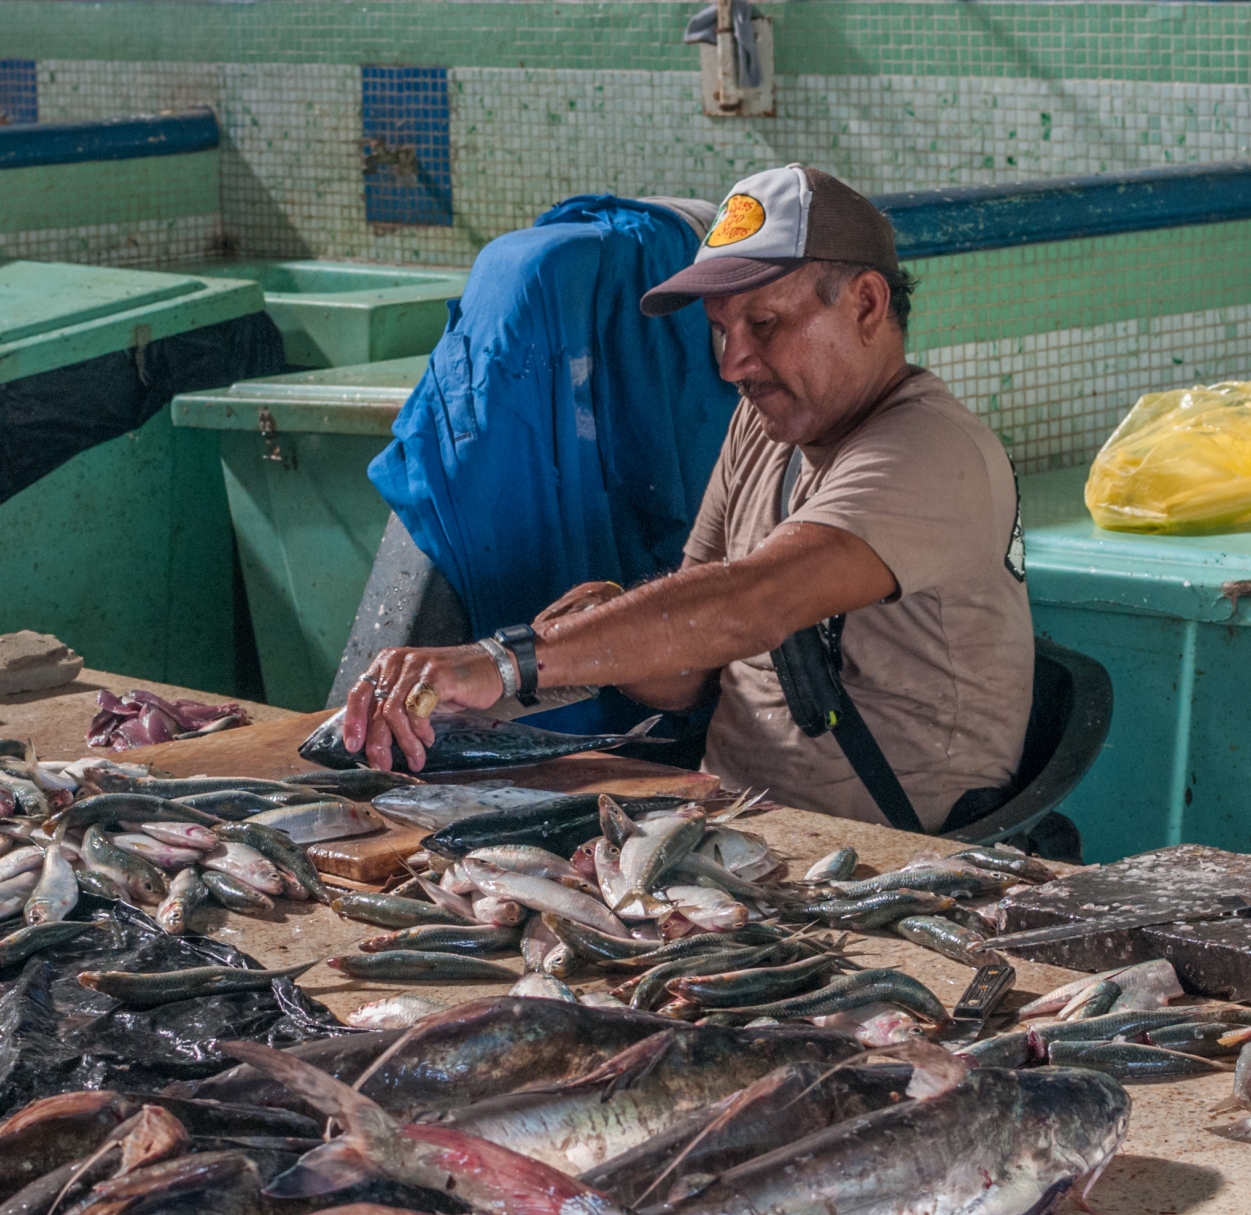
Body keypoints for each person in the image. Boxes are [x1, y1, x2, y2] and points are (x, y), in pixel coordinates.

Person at [339, 164, 1032, 834]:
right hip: (728, 825)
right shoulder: (765, 430)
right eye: (720, 330)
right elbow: (688, 669)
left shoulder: (932, 453)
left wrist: (502, 660)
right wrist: (602, 632)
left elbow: (751, 604)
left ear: (865, 305)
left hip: (880, 855)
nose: (731, 363)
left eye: (762, 324)